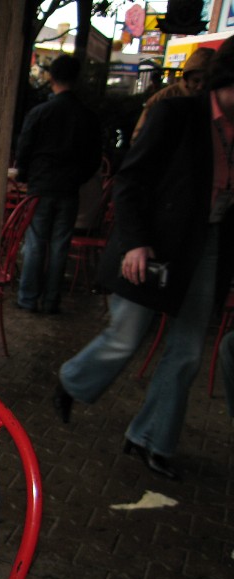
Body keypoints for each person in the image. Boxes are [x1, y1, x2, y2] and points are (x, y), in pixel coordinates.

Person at [53, 37, 234, 481]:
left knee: (187, 352)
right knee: (127, 335)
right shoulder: (177, 114)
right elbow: (132, 180)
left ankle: (152, 439)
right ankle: (72, 381)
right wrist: (135, 242)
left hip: (206, 246)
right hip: (153, 244)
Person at [14, 54, 102, 314]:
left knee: (36, 242)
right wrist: (76, 178)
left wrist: (25, 176)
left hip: (41, 188)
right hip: (69, 189)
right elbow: (94, 158)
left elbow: (24, 150)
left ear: (51, 77)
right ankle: (52, 300)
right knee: (60, 243)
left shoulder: (42, 112)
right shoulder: (87, 116)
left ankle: (28, 298)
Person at [132, 46, 215, 140]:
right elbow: (140, 135)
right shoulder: (164, 97)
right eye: (196, 81)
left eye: (207, 81)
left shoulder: (216, 100)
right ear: (186, 79)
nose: (200, 86)